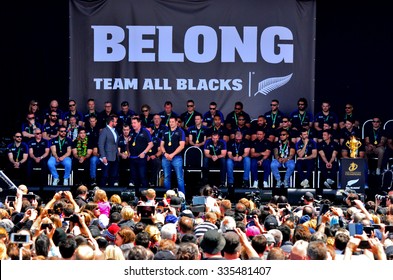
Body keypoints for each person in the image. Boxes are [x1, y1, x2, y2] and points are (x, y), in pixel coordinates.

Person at [160, 116, 186, 195]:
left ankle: (182, 197)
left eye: (172, 122)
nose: (171, 123)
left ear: (176, 122)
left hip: (176, 157)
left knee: (179, 178)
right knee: (166, 178)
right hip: (166, 157)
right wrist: (165, 153)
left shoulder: (181, 132)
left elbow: (182, 145)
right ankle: (167, 196)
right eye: (170, 122)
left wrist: (172, 154)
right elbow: (161, 145)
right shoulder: (165, 132)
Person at [129, 117, 153, 196]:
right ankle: (136, 196)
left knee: (142, 176)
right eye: (132, 123)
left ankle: (147, 196)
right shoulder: (131, 132)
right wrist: (128, 151)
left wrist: (144, 153)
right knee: (134, 177)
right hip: (132, 158)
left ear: (139, 123)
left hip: (141, 158)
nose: (133, 125)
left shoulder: (145, 131)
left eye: (135, 123)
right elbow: (129, 144)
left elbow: (151, 144)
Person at [98, 114, 120, 188]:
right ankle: (101, 192)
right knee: (105, 175)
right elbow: (101, 144)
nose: (116, 123)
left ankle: (111, 192)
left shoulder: (115, 131)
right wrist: (103, 156)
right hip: (107, 157)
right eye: (115, 122)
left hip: (115, 156)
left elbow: (115, 143)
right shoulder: (104, 131)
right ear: (111, 122)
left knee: (113, 176)